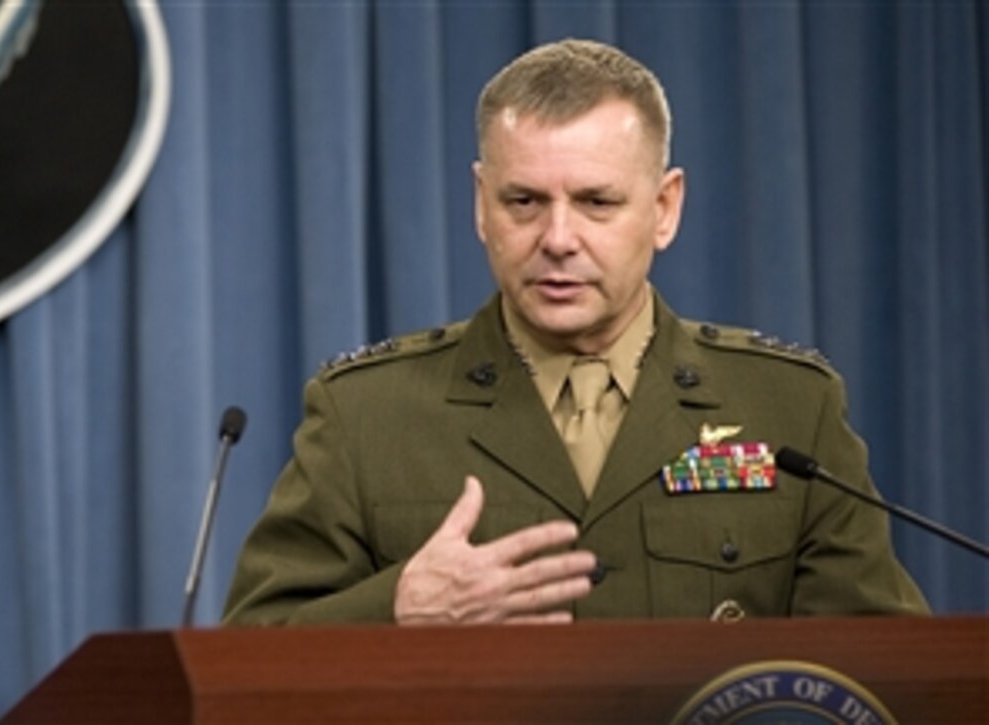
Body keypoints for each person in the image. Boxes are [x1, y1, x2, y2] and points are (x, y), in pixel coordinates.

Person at [223, 38, 928, 626]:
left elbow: (887, 675)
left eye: (596, 202)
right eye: (524, 201)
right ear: (481, 206)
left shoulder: (790, 408)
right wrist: (400, 608)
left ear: (664, 207)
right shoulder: (367, 414)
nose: (557, 239)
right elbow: (246, 654)